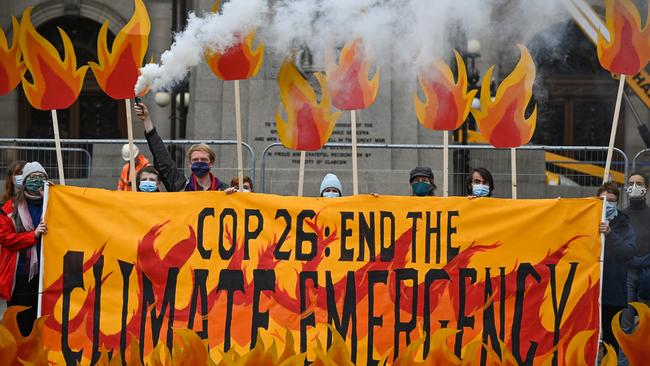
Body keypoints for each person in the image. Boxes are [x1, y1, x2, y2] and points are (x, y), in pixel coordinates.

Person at [0, 162, 48, 336]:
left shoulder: (53, 204)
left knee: (41, 321)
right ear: (25, 181)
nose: (37, 181)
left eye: (41, 178)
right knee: (20, 324)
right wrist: (33, 235)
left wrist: (51, 198)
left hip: (46, 275)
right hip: (20, 275)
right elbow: (5, 238)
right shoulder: (9, 209)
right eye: (33, 178)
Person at [134, 102, 228, 192]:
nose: (199, 163)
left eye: (203, 160)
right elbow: (162, 159)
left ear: (211, 163)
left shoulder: (224, 190)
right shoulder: (180, 185)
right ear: (189, 163)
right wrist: (146, 120)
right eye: (195, 160)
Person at [597, 182, 635, 355]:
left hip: (612, 292)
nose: (607, 203)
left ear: (617, 203)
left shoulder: (624, 224)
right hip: (590, 289)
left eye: (611, 200)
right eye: (603, 199)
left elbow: (628, 252)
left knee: (611, 338)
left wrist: (610, 234)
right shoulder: (588, 218)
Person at [619, 173, 650, 363]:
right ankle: (623, 362)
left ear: (646, 188)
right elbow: (618, 244)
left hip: (648, 274)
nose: (634, 186)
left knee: (646, 325)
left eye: (639, 183)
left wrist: (643, 261)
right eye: (631, 183)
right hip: (627, 275)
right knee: (626, 324)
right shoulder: (622, 215)